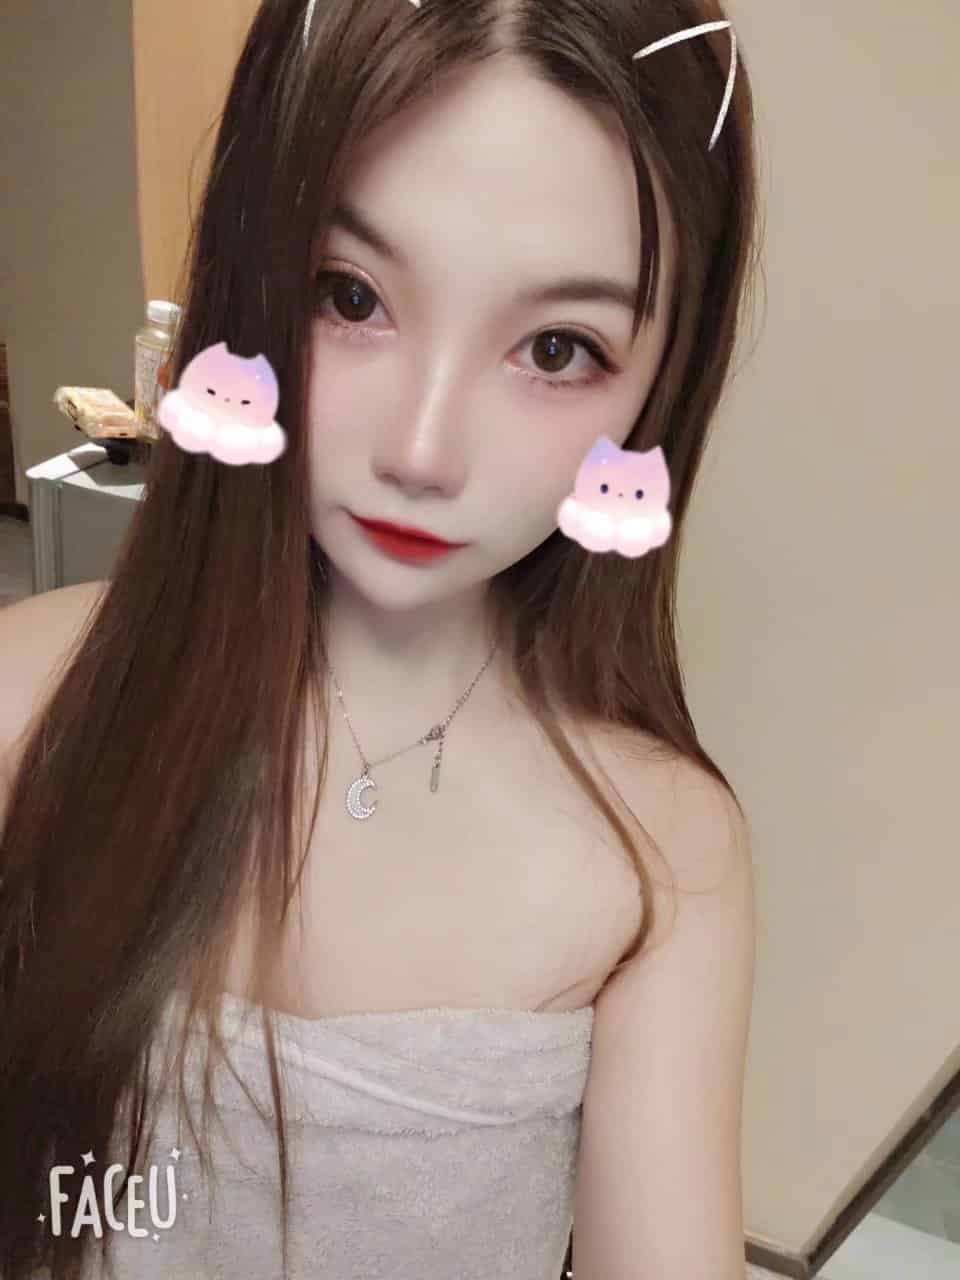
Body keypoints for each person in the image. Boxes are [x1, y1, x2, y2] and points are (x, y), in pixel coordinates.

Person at [0, 0, 760, 1276]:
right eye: (349, 295)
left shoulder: (663, 853)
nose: (422, 448)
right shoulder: (27, 702)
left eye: (557, 347)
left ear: (659, 389)